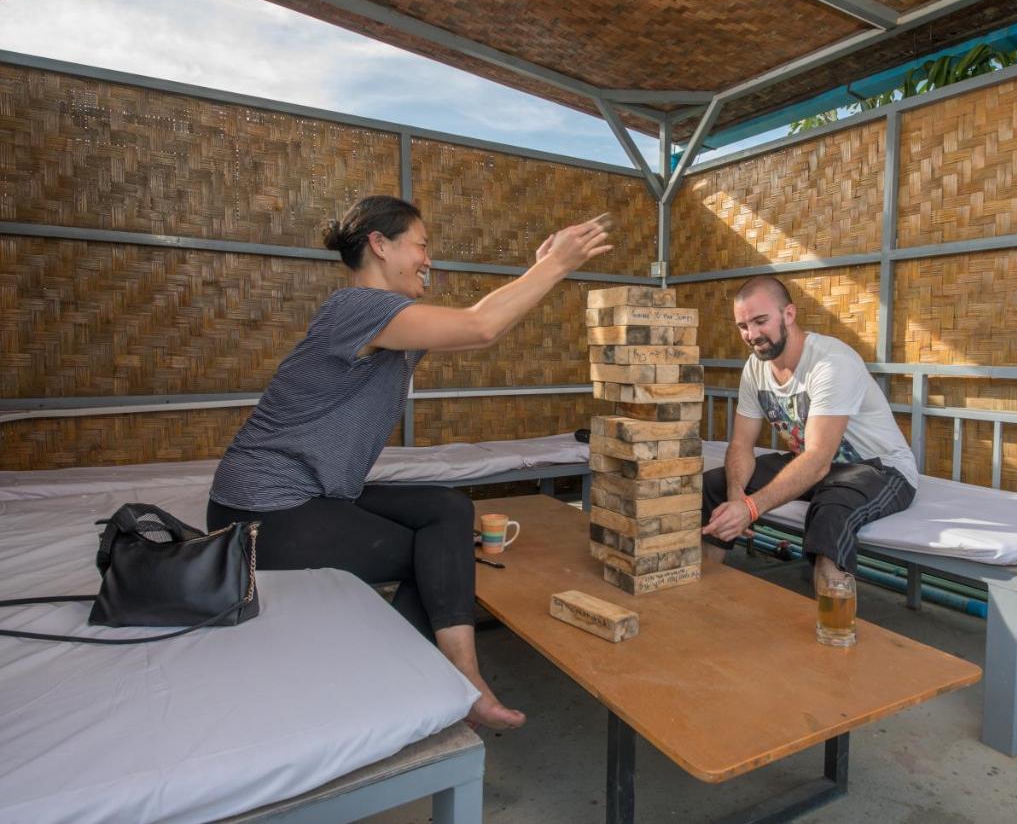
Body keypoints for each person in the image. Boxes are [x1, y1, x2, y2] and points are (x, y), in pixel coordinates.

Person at [207, 195, 611, 730]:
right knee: (432, 555)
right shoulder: (356, 308)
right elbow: (480, 325)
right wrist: (554, 264)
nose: (429, 259)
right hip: (263, 508)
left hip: (318, 496)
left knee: (446, 510)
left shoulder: (390, 322)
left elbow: (479, 322)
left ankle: (443, 674)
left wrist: (536, 270)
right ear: (379, 244)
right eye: (420, 245)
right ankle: (446, 684)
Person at [701, 276, 918, 592]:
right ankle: (705, 595)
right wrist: (737, 497)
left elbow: (817, 460)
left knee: (830, 512)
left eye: (761, 321)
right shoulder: (754, 368)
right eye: (743, 326)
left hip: (879, 469)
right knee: (715, 485)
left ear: (789, 314)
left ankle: (831, 628)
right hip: (820, 467)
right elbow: (741, 444)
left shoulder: (831, 363)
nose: (752, 334)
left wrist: (749, 509)